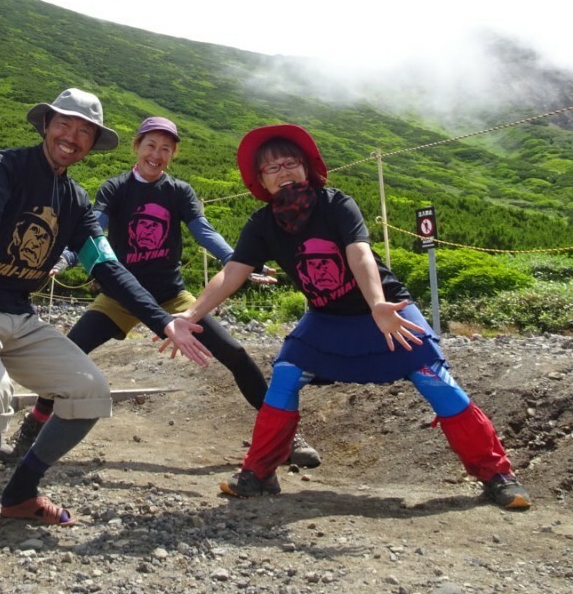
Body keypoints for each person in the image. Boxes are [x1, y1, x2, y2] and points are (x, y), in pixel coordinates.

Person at [179, 124, 531, 510]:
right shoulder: (262, 224)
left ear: (306, 167)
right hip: (327, 317)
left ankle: (497, 475)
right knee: (286, 373)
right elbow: (233, 272)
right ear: (260, 180)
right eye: (271, 168)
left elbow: (359, 254)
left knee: (434, 379)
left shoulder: (336, 204)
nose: (283, 172)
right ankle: (259, 474)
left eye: (289, 163)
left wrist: (378, 304)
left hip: (385, 308)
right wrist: (190, 315)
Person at [0, 88, 214, 547]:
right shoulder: (6, 165)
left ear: (92, 142)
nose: (72, 136)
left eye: (85, 131)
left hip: (18, 311)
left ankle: (21, 493)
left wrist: (163, 320)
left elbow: (106, 265)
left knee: (90, 390)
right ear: (46, 124)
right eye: (65, 123)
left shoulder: (77, 201)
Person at [1, 115, 321, 468]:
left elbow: (202, 230)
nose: (157, 154)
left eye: (166, 148)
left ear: (173, 154)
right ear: (137, 146)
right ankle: (29, 435)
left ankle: (286, 436)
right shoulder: (115, 188)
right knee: (68, 354)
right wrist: (62, 258)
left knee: (235, 353)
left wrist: (237, 260)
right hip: (120, 296)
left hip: (172, 296)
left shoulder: (179, 191)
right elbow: (94, 233)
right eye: (151, 145)